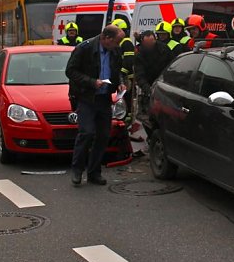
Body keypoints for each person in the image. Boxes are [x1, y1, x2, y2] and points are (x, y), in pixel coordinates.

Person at [65, 24, 126, 187]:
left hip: (104, 98)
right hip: (86, 98)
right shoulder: (84, 48)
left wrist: (120, 83)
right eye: (115, 43)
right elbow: (70, 71)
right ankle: (77, 170)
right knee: (86, 133)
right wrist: (91, 82)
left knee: (103, 135)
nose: (117, 46)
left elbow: (117, 70)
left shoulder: (115, 51)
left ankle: (94, 172)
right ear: (106, 38)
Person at [134, 30, 168, 120]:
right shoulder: (140, 54)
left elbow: (170, 66)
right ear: (143, 42)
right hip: (148, 84)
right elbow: (139, 74)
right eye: (147, 44)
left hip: (163, 83)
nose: (150, 46)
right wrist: (147, 89)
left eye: (151, 43)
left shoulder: (164, 49)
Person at [111, 18, 135, 123]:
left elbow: (129, 60)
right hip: (121, 74)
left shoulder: (126, 43)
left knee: (126, 96)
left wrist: (122, 72)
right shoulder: (119, 42)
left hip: (126, 76)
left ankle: (127, 118)